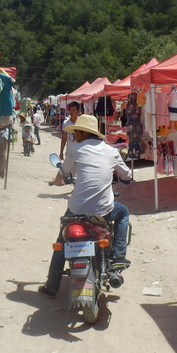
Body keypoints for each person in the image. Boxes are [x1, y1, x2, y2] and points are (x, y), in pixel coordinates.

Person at [39, 114, 132, 298]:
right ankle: (118, 256)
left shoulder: (74, 150)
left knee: (62, 241)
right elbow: (127, 176)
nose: (73, 136)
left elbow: (61, 177)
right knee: (122, 212)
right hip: (103, 211)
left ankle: (51, 286)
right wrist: (124, 176)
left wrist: (58, 182)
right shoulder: (111, 151)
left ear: (83, 132)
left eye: (75, 133)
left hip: (76, 210)